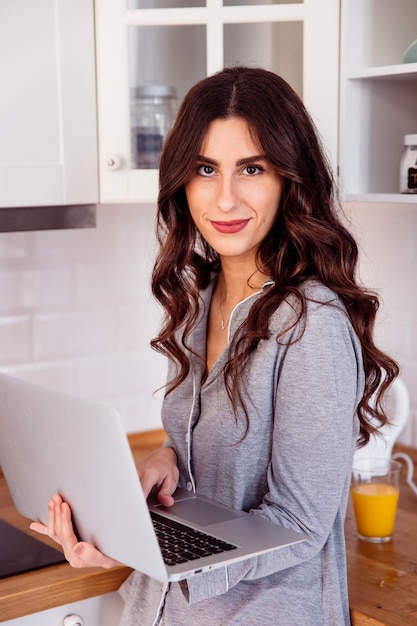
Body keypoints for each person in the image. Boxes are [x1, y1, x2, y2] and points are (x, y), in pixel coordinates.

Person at [31, 66, 398, 625]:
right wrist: (166, 462)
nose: (224, 198)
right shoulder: (198, 298)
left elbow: (300, 524)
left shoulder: (311, 323)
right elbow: (210, 451)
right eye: (206, 169)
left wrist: (151, 547)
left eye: (251, 168)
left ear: (288, 179)